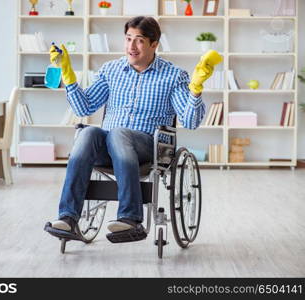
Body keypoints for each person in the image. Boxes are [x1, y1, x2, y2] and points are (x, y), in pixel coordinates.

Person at [45, 16, 222, 242]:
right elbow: (84, 106)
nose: (131, 46)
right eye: (128, 39)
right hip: (110, 146)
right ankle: (68, 218)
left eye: (139, 40)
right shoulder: (111, 70)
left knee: (120, 133)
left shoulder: (173, 75)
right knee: (88, 132)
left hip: (148, 146)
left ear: (154, 44)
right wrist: (68, 74)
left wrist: (195, 89)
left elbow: (190, 121)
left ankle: (130, 218)